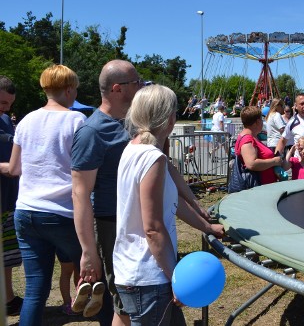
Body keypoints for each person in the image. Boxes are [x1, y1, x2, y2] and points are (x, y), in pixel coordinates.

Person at [72, 60, 208, 326]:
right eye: (136, 82)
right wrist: (88, 251)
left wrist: (197, 207)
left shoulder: (136, 135)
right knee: (125, 306)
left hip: (138, 242)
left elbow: (167, 178)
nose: (142, 85)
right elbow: (80, 194)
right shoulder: (92, 132)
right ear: (116, 88)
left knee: (126, 309)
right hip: (118, 230)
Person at [113, 85, 224, 326]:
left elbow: (174, 204)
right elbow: (153, 228)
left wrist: (207, 227)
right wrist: (176, 278)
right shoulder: (151, 158)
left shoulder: (134, 149)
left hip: (130, 268)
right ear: (170, 119)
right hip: (149, 275)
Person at [6, 65, 88, 323]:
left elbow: (15, 168)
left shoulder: (26, 120)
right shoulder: (76, 120)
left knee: (35, 290)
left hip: (26, 211)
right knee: (94, 277)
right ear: (69, 89)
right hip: (62, 212)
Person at [0, 76, 23, 316]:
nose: (5, 108)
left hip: (7, 200)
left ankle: (8, 298)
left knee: (7, 256)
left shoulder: (6, 121)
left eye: (9, 104)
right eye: (2, 102)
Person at [236, 106, 282, 185]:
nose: (262, 122)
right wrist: (274, 161)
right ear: (257, 122)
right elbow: (251, 164)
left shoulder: (253, 137)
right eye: (261, 119)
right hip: (259, 187)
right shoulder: (247, 140)